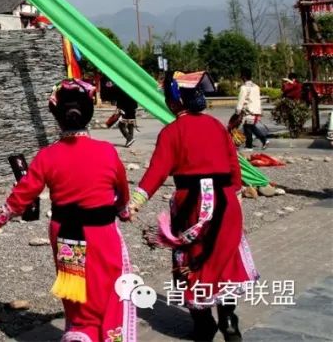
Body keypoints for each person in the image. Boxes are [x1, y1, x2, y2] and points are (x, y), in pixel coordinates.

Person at [0, 79, 135, 342]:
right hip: (102, 232)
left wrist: (0, 219)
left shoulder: (47, 156)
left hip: (66, 234)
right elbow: (122, 192)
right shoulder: (107, 152)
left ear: (58, 119)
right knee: (108, 287)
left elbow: (23, 194)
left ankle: (82, 333)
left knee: (77, 290)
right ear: (88, 115)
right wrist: (124, 211)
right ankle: (109, 334)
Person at [129, 71, 257, 342]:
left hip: (193, 205)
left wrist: (136, 202)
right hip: (225, 203)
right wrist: (235, 192)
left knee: (192, 260)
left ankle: (203, 323)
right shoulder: (216, 126)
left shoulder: (171, 132)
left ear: (174, 102)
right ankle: (229, 321)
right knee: (224, 258)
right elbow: (234, 167)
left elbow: (156, 172)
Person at [235, 68, 266, 151]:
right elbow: (258, 100)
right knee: (251, 127)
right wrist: (259, 112)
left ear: (244, 77)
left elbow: (241, 100)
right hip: (255, 111)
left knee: (247, 127)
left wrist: (237, 112)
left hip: (248, 111)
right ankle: (263, 140)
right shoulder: (256, 87)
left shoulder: (244, 88)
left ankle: (249, 146)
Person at [101, 78, 138, 147]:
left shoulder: (120, 87)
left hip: (125, 108)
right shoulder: (132, 87)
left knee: (121, 125)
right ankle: (129, 141)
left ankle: (129, 138)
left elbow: (117, 97)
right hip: (132, 108)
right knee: (130, 124)